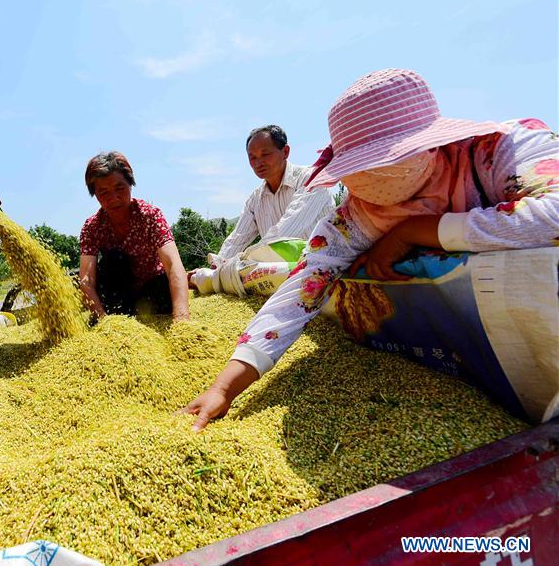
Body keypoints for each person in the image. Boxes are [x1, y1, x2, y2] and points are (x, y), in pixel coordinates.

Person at [184, 68, 559, 430]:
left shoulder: (503, 149)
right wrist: (224, 387)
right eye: (360, 170)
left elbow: (552, 215)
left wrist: (415, 231)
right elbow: (303, 288)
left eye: (387, 160)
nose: (374, 180)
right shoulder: (356, 216)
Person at [188, 125, 334, 295]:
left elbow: (284, 234)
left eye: (265, 154)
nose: (258, 162)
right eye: (252, 157)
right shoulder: (256, 199)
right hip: (279, 276)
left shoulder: (312, 179)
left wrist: (233, 266)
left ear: (285, 152)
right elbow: (237, 239)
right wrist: (216, 266)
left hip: (321, 270)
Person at [79, 151, 191, 322]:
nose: (114, 198)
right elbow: (86, 279)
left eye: (119, 188)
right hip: (119, 297)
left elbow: (173, 264)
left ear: (130, 185)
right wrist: (104, 321)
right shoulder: (92, 227)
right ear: (95, 195)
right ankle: (116, 318)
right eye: (104, 193)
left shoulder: (150, 216)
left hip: (153, 291)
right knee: (114, 261)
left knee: (159, 286)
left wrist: (182, 318)